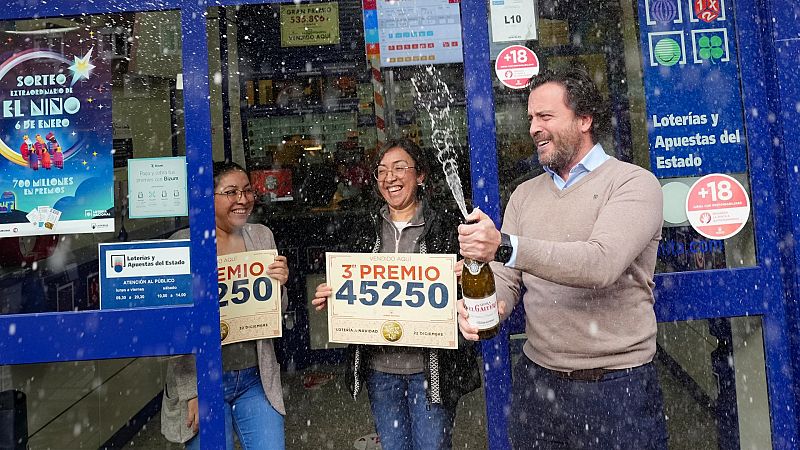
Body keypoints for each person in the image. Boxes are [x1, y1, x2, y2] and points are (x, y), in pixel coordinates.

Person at [457, 67, 667, 449]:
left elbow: (600, 264)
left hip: (618, 388)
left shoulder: (633, 184)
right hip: (538, 385)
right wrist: (488, 307)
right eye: (530, 119)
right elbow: (509, 277)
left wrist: (504, 245)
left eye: (545, 117)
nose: (534, 128)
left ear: (584, 119)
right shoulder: (524, 194)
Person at [312, 138, 480, 450]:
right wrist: (333, 294)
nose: (390, 177)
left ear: (421, 176)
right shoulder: (364, 227)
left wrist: (465, 275)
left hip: (430, 373)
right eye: (382, 171)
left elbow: (476, 284)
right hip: (381, 373)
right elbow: (353, 283)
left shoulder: (446, 226)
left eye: (400, 168)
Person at [161, 161, 290, 450]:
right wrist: (192, 392)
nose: (242, 200)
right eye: (231, 192)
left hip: (255, 379)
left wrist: (280, 285)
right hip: (204, 381)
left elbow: (275, 311)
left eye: (247, 191)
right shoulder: (183, 245)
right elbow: (174, 329)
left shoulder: (261, 236)